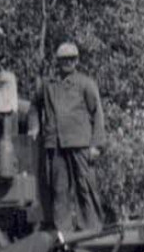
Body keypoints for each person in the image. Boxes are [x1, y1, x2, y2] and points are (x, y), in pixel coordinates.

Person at [35, 41, 107, 232]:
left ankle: (91, 230)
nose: (68, 63)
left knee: (86, 187)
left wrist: (96, 145)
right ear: (57, 62)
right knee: (59, 190)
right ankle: (63, 233)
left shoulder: (85, 83)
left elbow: (97, 113)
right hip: (55, 145)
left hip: (80, 144)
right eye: (63, 59)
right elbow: (35, 106)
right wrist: (34, 128)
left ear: (77, 61)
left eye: (71, 59)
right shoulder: (48, 85)